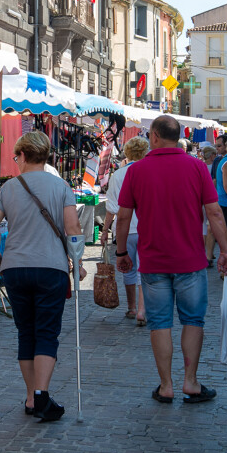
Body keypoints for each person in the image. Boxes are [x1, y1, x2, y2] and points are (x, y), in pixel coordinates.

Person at [116, 116, 227, 404]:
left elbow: (123, 216)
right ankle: (190, 382)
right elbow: (215, 213)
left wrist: (121, 253)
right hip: (190, 260)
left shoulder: (136, 170)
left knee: (160, 323)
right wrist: (226, 250)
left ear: (154, 136)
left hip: (154, 260)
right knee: (193, 320)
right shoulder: (196, 167)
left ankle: (166, 385)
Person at [0, 131, 84, 422]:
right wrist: (76, 262)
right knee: (47, 332)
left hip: (15, 268)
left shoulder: (7, 189)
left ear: (23, 156)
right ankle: (41, 394)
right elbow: (73, 230)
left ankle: (30, 397)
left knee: (26, 332)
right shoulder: (62, 186)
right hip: (51, 268)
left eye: (16, 157)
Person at [101, 137, 149, 324]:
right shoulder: (148, 172)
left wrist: (105, 230)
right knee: (143, 270)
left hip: (124, 229)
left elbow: (112, 207)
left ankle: (131, 307)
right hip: (145, 227)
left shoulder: (118, 175)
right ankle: (142, 310)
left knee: (127, 268)